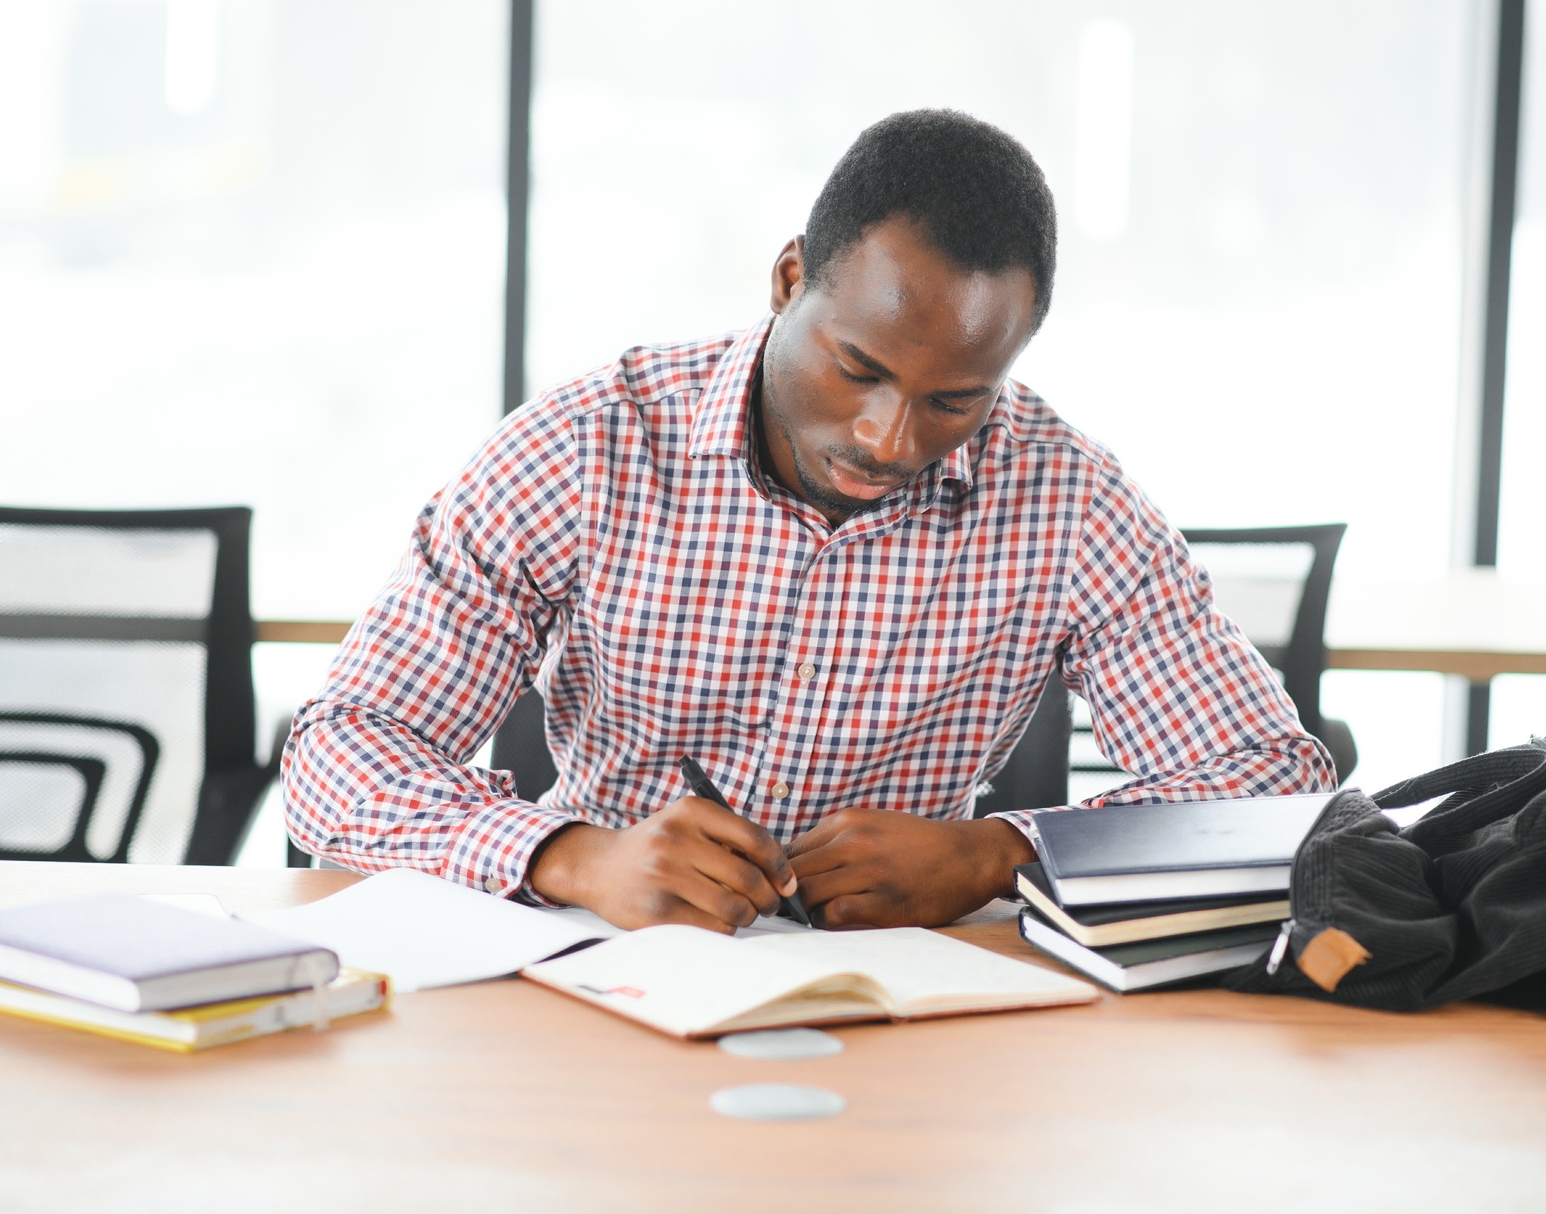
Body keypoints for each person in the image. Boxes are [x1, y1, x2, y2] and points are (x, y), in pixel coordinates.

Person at [283, 108, 1334, 933]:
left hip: (907, 1009)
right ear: (789, 281)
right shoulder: (588, 446)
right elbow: (337, 756)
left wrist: (1000, 852)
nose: (887, 437)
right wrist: (569, 855)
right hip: (603, 973)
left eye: (953, 399)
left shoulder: (1067, 501)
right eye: (858, 369)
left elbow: (1274, 787)